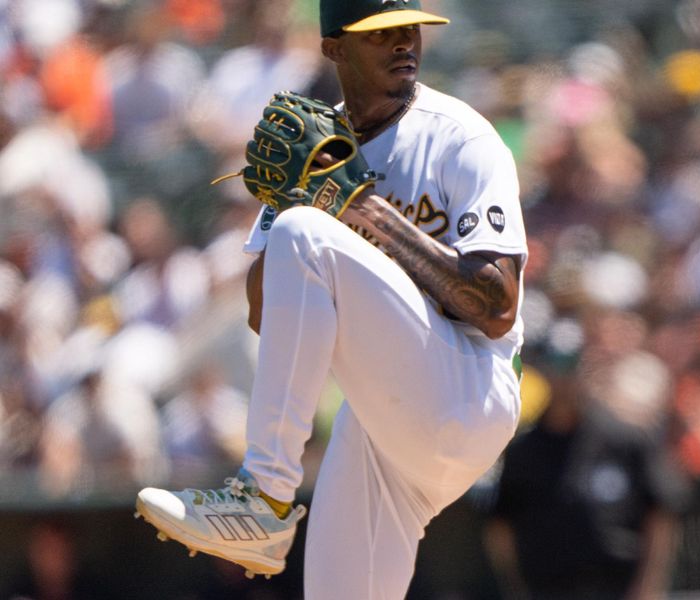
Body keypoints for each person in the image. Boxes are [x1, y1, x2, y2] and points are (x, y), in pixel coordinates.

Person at [135, 1, 528, 598]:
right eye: (380, 33)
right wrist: (300, 198)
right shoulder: (319, 143)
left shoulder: (460, 136)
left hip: (470, 386)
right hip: (383, 422)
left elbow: (498, 307)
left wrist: (355, 210)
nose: (403, 42)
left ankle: (264, 495)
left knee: (304, 232)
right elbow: (266, 312)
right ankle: (264, 508)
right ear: (334, 48)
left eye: (409, 27)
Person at [488, 346, 692, 600]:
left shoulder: (627, 439)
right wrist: (517, 590)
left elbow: (661, 514)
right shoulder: (523, 451)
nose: (565, 379)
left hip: (615, 588)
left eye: (572, 367)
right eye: (557, 368)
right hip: (547, 590)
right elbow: (501, 525)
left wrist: (648, 588)